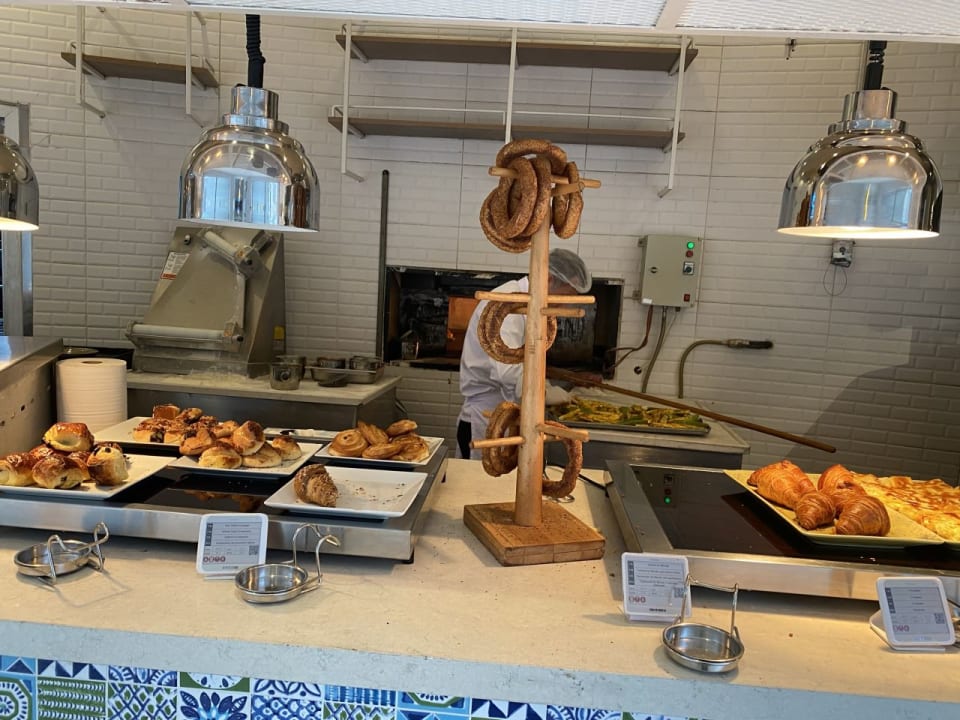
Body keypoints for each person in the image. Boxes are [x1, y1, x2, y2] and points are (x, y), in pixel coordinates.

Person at [456, 248, 592, 459]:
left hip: (507, 414)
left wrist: (546, 385)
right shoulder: (509, 304)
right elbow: (507, 371)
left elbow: (526, 363)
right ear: (548, 279)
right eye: (565, 295)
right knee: (480, 479)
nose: (565, 304)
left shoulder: (533, 306)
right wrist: (544, 394)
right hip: (485, 419)